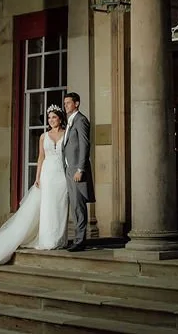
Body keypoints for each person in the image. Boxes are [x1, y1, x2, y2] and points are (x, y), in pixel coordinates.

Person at [0, 105, 70, 273]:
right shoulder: (44, 136)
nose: (51, 120)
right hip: (48, 174)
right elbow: (41, 157)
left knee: (61, 205)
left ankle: (60, 239)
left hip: (62, 175)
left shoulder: (66, 134)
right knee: (48, 207)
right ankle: (48, 240)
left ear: (60, 118)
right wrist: (37, 177)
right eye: (49, 118)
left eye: (54, 117)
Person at [61, 91, 95, 251]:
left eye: (68, 102)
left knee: (78, 206)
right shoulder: (69, 122)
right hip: (68, 169)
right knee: (74, 205)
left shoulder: (81, 120)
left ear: (77, 103)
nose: (65, 105)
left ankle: (80, 240)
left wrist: (80, 169)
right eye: (65, 102)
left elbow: (84, 145)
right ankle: (77, 238)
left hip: (76, 170)